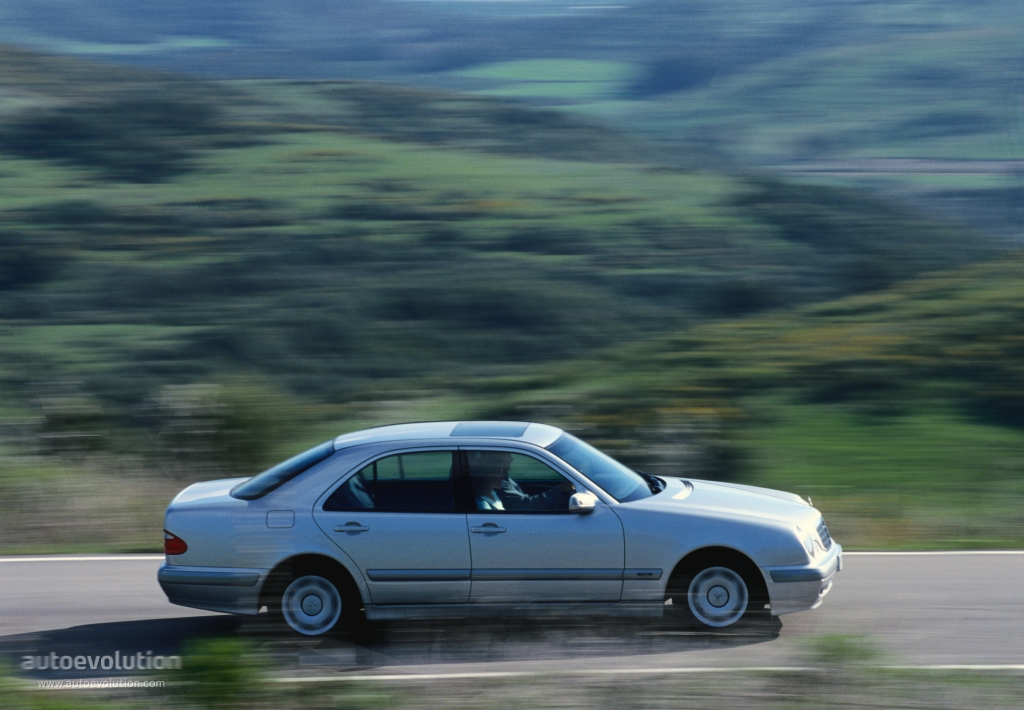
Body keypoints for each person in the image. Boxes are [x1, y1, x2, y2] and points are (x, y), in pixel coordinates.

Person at [468, 451, 574, 511]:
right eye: (507, 455)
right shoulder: (494, 492)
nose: (511, 459)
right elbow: (526, 505)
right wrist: (559, 489)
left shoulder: (494, 491)